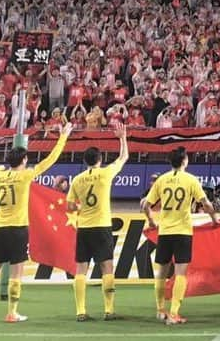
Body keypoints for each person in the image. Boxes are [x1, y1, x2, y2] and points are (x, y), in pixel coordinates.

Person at [0, 122, 73, 323]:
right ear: (24, 159)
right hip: (18, 229)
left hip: (1, 228)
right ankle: (12, 312)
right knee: (16, 272)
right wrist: (63, 137)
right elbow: (50, 161)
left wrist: (6, 167)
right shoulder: (25, 175)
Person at [142, 146, 220, 326]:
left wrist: (152, 221)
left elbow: (146, 204)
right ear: (185, 161)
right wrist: (214, 219)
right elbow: (206, 203)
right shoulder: (191, 180)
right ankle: (174, 313)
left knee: (161, 273)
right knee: (180, 273)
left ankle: (160, 310)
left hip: (165, 231)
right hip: (183, 231)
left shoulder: (162, 180)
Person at [66, 124, 129, 321]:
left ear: (85, 161)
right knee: (106, 268)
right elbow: (123, 157)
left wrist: (80, 208)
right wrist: (122, 137)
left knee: (81, 269)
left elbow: (69, 206)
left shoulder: (77, 180)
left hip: (84, 227)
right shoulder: (106, 173)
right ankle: (109, 310)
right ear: (100, 160)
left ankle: (80, 311)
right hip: (102, 226)